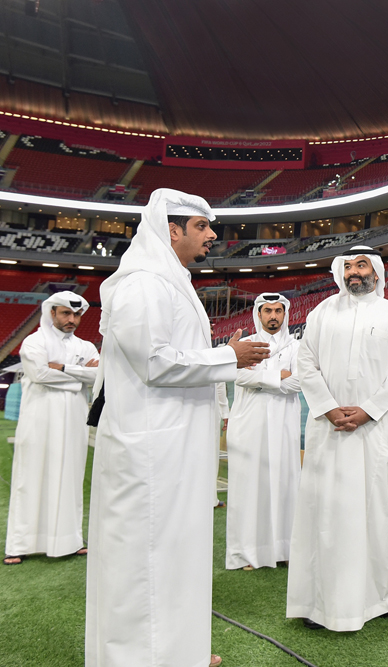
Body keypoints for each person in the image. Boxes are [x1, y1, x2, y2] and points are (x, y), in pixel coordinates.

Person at [86, 188, 270, 667]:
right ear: (171, 229)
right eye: (202, 227)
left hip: (176, 446)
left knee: (176, 554)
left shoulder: (173, 281)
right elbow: (154, 362)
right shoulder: (142, 283)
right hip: (150, 448)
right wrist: (228, 356)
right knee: (144, 558)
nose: (212, 236)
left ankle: (176, 652)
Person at [289, 245, 388, 631]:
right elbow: (305, 362)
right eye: (348, 266)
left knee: (373, 515)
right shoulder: (321, 312)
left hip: (371, 431)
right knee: (323, 514)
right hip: (327, 428)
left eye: (361, 265)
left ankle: (377, 600)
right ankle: (319, 604)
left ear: (376, 272)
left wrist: (367, 410)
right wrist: (328, 406)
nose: (354, 272)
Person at [4, 292, 98, 566]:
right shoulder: (34, 341)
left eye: (77, 314)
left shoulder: (86, 346)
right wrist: (79, 376)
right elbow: (40, 375)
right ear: (52, 313)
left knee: (70, 477)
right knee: (30, 477)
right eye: (66, 313)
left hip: (74, 421)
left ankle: (69, 541)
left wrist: (65, 369)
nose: (72, 319)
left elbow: (98, 376)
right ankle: (19, 544)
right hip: (39, 421)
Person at [226, 293, 302, 571]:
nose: (273, 316)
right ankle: (248, 553)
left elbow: (300, 382)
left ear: (285, 314)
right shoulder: (244, 345)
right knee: (249, 488)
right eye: (267, 310)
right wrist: (277, 376)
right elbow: (236, 376)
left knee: (285, 485)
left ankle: (284, 550)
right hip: (249, 426)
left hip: (284, 425)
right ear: (258, 314)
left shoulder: (297, 347)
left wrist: (262, 380)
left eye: (278, 311)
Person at [214, 380, 229, 508]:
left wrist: (224, 411)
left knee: (211, 457)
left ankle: (211, 497)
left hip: (210, 409)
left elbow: (219, 383)